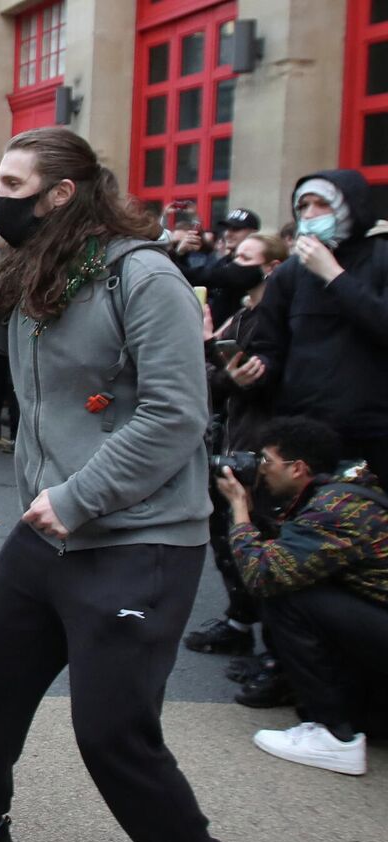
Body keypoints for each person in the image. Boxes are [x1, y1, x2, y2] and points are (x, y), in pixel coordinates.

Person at [0, 127, 266, 842]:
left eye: (11, 181)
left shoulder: (141, 277)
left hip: (138, 541)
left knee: (112, 732)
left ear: (62, 194)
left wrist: (78, 497)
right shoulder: (31, 274)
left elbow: (175, 416)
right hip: (51, 536)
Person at [213, 416, 385, 775]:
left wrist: (240, 510)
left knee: (287, 596)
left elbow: (262, 575)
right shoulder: (344, 487)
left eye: (266, 461)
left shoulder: (333, 511)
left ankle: (335, 738)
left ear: (298, 469)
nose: (259, 469)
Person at [184, 232, 291, 661]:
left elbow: (251, 381)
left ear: (272, 267)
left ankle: (274, 645)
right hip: (230, 435)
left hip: (259, 441)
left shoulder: (277, 319)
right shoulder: (241, 313)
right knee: (225, 536)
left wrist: (217, 361)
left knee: (257, 534)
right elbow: (214, 378)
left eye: (246, 257)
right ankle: (239, 620)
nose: (233, 262)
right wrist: (211, 348)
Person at [239, 170, 388, 472]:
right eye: (303, 205)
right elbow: (271, 346)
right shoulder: (289, 274)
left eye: (322, 204)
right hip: (304, 431)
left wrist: (334, 275)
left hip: (372, 432)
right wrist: (253, 371)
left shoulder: (381, 258)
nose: (310, 214)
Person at [175, 207, 262, 327]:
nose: (228, 233)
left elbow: (200, 277)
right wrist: (180, 254)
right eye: (227, 228)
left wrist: (173, 256)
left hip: (238, 338)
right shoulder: (224, 261)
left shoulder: (254, 266)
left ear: (253, 233)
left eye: (236, 229)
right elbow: (195, 282)